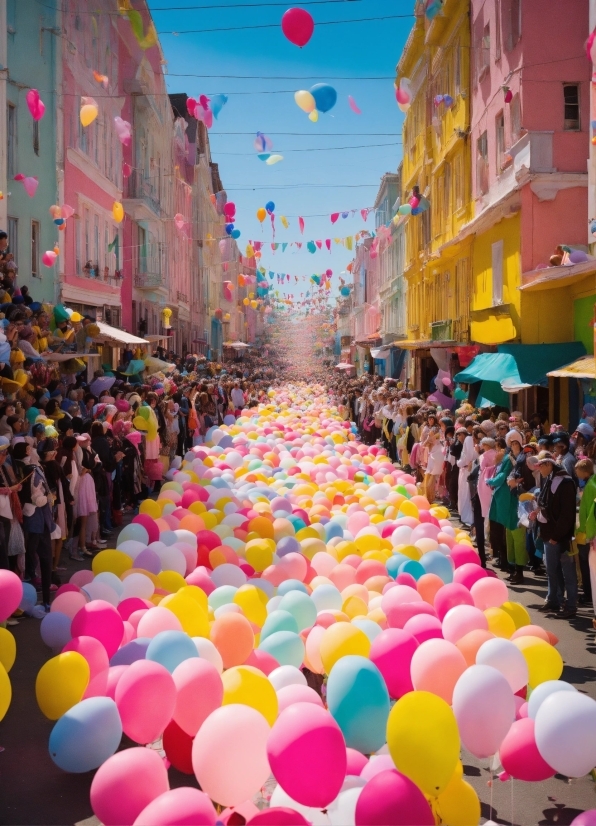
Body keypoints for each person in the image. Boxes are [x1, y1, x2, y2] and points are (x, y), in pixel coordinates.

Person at [534, 451, 578, 618]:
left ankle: (571, 605)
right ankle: (554, 600)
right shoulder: (551, 478)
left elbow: (566, 514)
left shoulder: (564, 482)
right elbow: (547, 503)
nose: (539, 469)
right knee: (552, 570)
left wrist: (557, 536)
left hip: (561, 536)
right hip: (549, 534)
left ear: (548, 464)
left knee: (567, 572)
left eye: (540, 465)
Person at [13, 441, 55, 612]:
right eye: (31, 448)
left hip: (28, 519)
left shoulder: (17, 469)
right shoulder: (32, 470)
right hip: (37, 520)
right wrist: (48, 497)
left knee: (31, 560)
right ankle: (41, 600)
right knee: (39, 560)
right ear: (28, 451)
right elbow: (38, 497)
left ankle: (34, 599)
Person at [574, 457, 596, 618]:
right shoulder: (590, 483)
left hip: (587, 533)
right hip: (587, 530)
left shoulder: (591, 486)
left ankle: (588, 594)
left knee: (586, 565)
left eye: (578, 471)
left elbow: (589, 512)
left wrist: (587, 533)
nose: (576, 473)